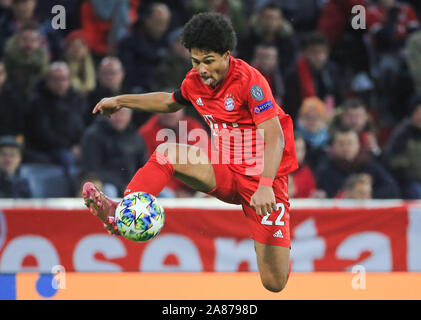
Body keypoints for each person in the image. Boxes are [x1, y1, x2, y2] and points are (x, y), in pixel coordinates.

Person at [83, 12, 298, 293]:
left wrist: (266, 186)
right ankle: (124, 209)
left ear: (226, 55)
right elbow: (170, 102)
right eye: (196, 62)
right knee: (168, 151)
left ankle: (278, 243)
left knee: (274, 282)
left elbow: (275, 136)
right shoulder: (194, 81)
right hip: (225, 171)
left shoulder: (250, 81)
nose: (202, 70)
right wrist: (121, 100)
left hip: (263, 186)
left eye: (209, 61)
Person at [314, 127, 400, 199]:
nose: (346, 148)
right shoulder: (325, 169)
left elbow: (392, 188)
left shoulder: (369, 165)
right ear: (333, 146)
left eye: (350, 143)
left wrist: (367, 195)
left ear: (358, 145)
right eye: (341, 144)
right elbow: (319, 192)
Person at [81, 108, 148, 197]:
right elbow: (92, 170)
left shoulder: (136, 137)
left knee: (166, 194)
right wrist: (123, 186)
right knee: (110, 191)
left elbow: (144, 167)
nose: (120, 118)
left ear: (130, 116)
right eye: (116, 113)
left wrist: (138, 185)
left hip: (131, 186)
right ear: (107, 114)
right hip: (105, 184)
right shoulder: (93, 136)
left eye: (123, 114)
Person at [383, 95, 421, 199]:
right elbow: (396, 160)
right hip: (411, 181)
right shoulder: (402, 133)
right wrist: (412, 175)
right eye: (418, 112)